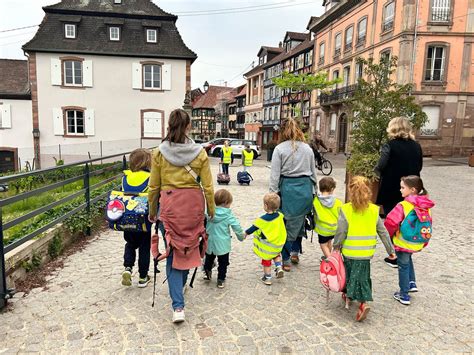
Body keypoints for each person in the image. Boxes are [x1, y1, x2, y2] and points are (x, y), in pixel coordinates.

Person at [148, 109, 215, 323]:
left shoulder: (158, 153)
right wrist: (211, 210)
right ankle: (181, 286)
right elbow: (208, 187)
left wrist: (152, 212)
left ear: (169, 125)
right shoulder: (200, 153)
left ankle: (178, 306)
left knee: (173, 249)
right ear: (188, 127)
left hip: (169, 207)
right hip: (194, 207)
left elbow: (153, 187)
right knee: (189, 246)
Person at [333, 176, 396, 322]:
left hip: (350, 251)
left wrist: (336, 247)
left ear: (350, 191)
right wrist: (390, 250)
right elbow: (383, 231)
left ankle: (361, 301)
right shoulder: (374, 210)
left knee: (350, 274)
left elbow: (341, 232)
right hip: (366, 252)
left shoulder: (345, 210)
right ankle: (356, 297)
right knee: (363, 276)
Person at [269, 118, 317, 271]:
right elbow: (313, 172)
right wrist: (314, 191)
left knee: (286, 225)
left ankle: (286, 258)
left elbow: (275, 174)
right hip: (305, 189)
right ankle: (295, 251)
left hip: (288, 189)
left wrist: (272, 194)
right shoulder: (307, 149)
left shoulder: (280, 149)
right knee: (299, 221)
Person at [384, 176, 435, 306]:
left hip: (403, 241)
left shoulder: (403, 205)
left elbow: (391, 222)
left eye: (402, 187)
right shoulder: (426, 205)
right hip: (416, 241)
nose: (400, 190)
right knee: (408, 259)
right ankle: (411, 282)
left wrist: (389, 236)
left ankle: (404, 294)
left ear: (412, 190)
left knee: (403, 265)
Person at [375, 117, 423, 217]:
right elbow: (419, 166)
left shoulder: (389, 145)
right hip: (411, 185)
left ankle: (394, 232)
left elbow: (381, 165)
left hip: (392, 186)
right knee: (408, 214)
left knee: (392, 216)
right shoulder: (416, 145)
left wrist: (376, 171)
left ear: (393, 128)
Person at [121, 148, 153, 288]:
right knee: (144, 248)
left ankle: (128, 268)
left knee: (130, 244)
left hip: (127, 219)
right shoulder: (150, 178)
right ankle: (142, 277)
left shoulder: (125, 178)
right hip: (144, 220)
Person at [203, 189, 245, 289]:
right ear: (226, 203)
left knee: (208, 259)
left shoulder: (208, 212)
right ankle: (221, 279)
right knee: (223, 263)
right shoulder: (228, 215)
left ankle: (207, 272)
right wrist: (241, 236)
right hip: (223, 244)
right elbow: (236, 227)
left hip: (209, 242)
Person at [245, 193, 287, 285]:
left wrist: (245, 234)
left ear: (266, 206)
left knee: (266, 261)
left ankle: (267, 278)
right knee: (276, 255)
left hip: (267, 246)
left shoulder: (262, 220)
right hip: (277, 244)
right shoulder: (280, 215)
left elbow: (253, 228)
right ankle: (279, 267)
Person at [313, 177, 343, 259]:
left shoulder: (316, 200)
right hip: (334, 229)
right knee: (329, 242)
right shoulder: (338, 202)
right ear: (332, 189)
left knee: (323, 244)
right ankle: (329, 255)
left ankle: (330, 259)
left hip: (323, 229)